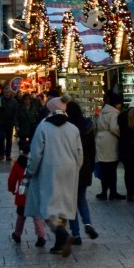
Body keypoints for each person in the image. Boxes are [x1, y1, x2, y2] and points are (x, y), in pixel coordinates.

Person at [24, 96, 83, 257]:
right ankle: (59, 244)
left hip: (48, 171)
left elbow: (36, 154)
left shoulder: (43, 127)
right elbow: (79, 153)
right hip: (70, 171)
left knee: (47, 208)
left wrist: (31, 171)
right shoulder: (73, 128)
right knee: (63, 207)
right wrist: (75, 169)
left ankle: (62, 234)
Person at [66, 100, 99, 243]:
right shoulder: (87, 125)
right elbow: (92, 149)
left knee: (71, 202)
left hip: (71, 166)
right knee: (81, 198)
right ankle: (88, 223)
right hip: (85, 165)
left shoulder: (67, 128)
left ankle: (76, 234)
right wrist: (92, 165)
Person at [7, 151, 47, 247]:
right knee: (37, 216)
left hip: (22, 195)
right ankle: (41, 236)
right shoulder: (36, 162)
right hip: (34, 194)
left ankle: (17, 234)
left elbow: (12, 179)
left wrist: (12, 189)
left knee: (21, 216)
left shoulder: (17, 163)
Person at [95, 91, 124, 200]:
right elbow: (114, 128)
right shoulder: (114, 113)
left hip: (101, 140)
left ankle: (103, 192)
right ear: (116, 103)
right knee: (112, 169)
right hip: (110, 142)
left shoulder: (103, 111)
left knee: (104, 168)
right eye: (120, 103)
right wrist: (121, 135)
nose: (121, 106)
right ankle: (113, 192)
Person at [0, 88, 20, 161]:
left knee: (9, 139)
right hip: (1, 122)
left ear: (10, 93)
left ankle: (8, 155)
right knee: (1, 137)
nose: (7, 94)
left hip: (10, 123)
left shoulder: (14, 101)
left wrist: (16, 124)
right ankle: (1, 154)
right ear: (3, 93)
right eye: (5, 92)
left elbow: (16, 114)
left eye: (8, 92)